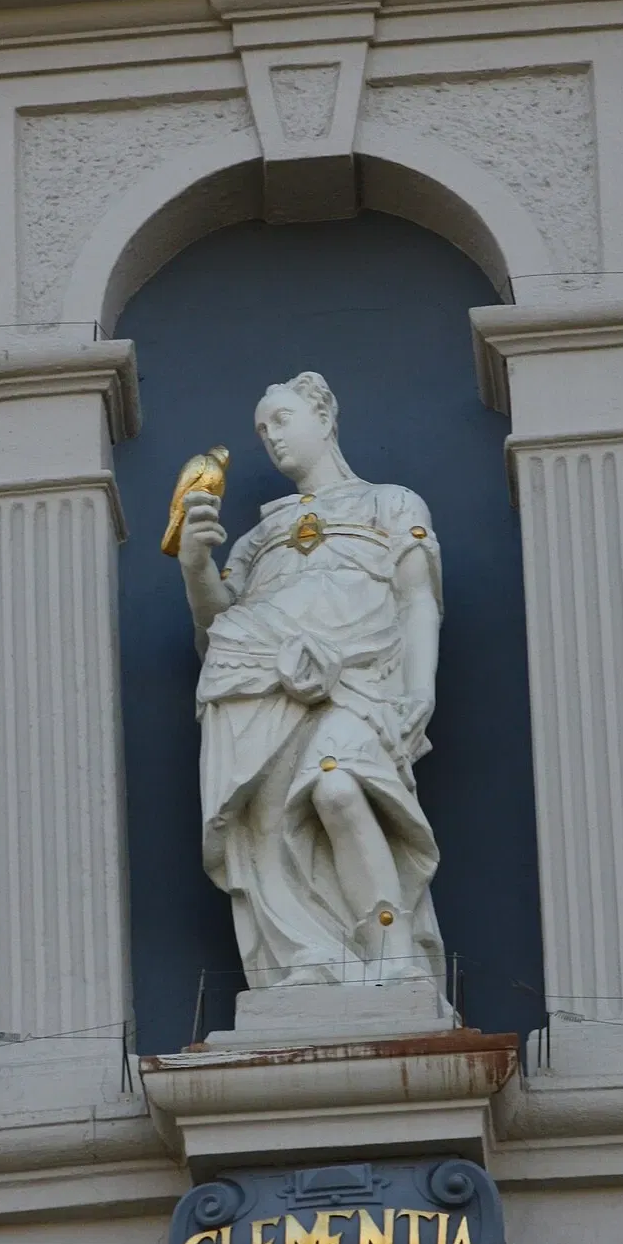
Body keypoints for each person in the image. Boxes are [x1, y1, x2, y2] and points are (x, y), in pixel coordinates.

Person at [177, 370, 446, 990]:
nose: (271, 437)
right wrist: (196, 566)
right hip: (256, 683)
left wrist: (419, 688)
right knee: (268, 827)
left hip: (358, 677)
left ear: (324, 418)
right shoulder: (258, 534)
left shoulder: (391, 503)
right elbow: (218, 625)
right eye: (262, 428)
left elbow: (415, 599)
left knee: (338, 787)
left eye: (282, 419)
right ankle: (313, 956)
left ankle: (394, 952)